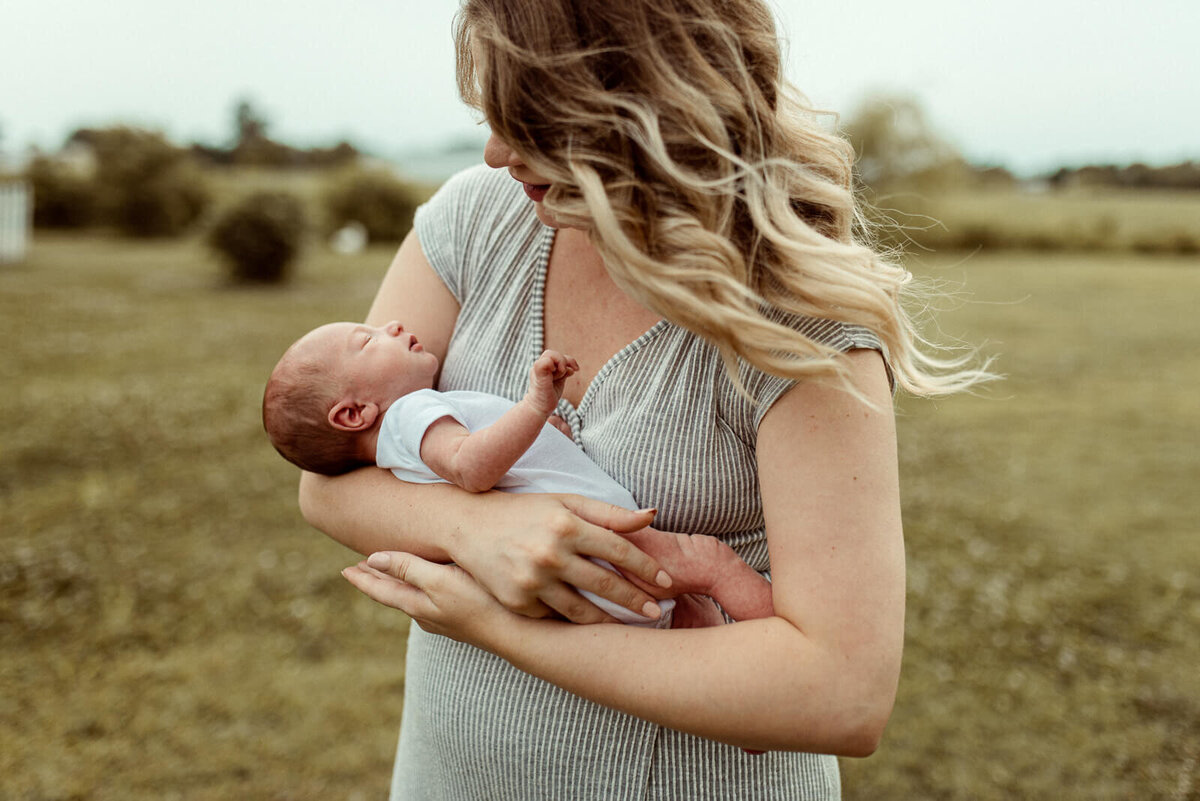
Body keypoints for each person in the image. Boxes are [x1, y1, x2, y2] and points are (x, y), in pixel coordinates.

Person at [303, 1, 993, 798]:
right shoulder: (475, 221)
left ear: (640, 113)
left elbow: (841, 691)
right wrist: (475, 527)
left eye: (531, 120)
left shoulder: (800, 321)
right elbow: (327, 475)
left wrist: (495, 622)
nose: (494, 152)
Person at [262, 323, 774, 626]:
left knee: (688, 612)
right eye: (366, 340)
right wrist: (535, 405)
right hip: (595, 547)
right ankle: (787, 647)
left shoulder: (401, 446)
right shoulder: (410, 415)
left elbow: (504, 466)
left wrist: (545, 435)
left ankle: (751, 719)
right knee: (710, 563)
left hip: (574, 565)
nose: (391, 326)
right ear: (353, 414)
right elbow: (471, 468)